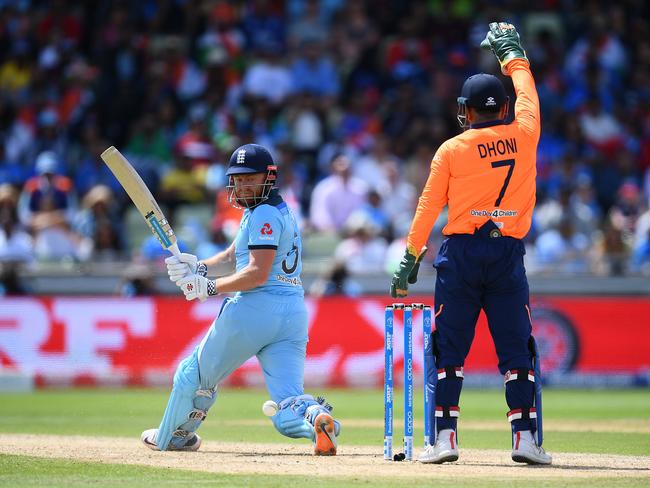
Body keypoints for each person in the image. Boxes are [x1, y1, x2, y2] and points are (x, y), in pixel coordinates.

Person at [390, 23, 552, 465]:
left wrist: (409, 261)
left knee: (449, 353)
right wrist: (512, 55)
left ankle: (445, 440)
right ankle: (524, 441)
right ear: (501, 107)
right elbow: (528, 92)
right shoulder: (526, 133)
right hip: (507, 256)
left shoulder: (451, 149)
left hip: (460, 256)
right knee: (518, 351)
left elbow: (427, 207)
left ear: (467, 110)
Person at [141, 143, 339, 456]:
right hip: (292, 315)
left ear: (269, 178)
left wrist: (208, 287)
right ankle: (316, 419)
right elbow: (235, 255)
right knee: (287, 400)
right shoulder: (274, 209)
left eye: (251, 178)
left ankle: (175, 437)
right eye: (238, 178)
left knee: (193, 375)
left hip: (255, 310)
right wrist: (200, 266)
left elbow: (257, 273)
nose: (243, 184)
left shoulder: (263, 214)